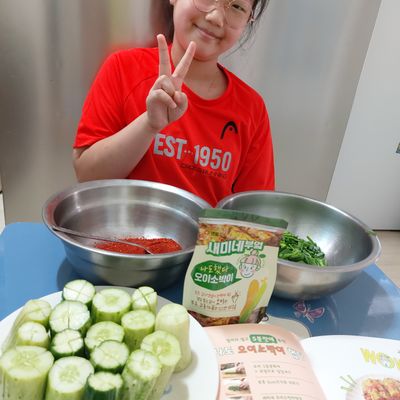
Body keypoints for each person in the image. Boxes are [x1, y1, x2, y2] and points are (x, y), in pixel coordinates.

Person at [73, 0, 274, 207]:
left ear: (248, 21)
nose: (216, 18)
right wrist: (149, 124)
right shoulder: (122, 69)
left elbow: (255, 214)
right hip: (124, 227)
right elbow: (87, 175)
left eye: (237, 7)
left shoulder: (252, 110)